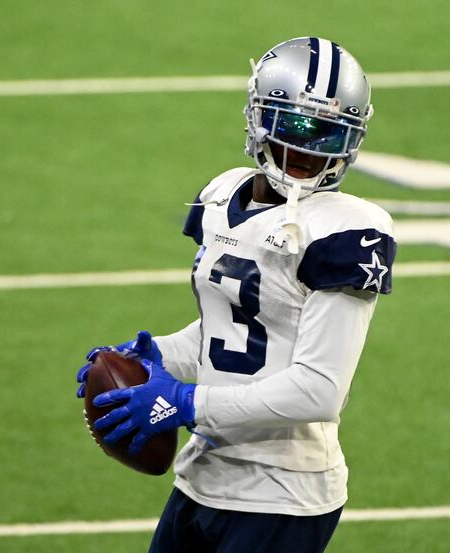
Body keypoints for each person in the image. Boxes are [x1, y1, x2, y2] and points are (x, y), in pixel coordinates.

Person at [76, 37, 396, 553]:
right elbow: (236, 328)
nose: (308, 149)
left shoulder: (345, 230)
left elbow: (318, 390)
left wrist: (185, 402)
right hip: (205, 475)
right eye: (294, 125)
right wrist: (155, 354)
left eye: (329, 132)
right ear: (257, 116)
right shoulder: (224, 195)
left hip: (283, 493)